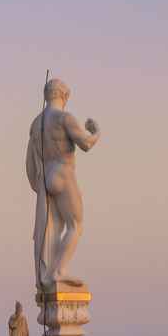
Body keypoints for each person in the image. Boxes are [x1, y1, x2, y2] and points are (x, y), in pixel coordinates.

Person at [26, 78, 100, 287]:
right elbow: (85, 144)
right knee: (75, 225)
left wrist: (39, 186)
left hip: (47, 177)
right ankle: (58, 270)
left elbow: (30, 164)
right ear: (64, 96)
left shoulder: (35, 123)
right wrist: (96, 132)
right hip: (63, 172)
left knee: (55, 227)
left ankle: (50, 270)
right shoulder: (63, 118)